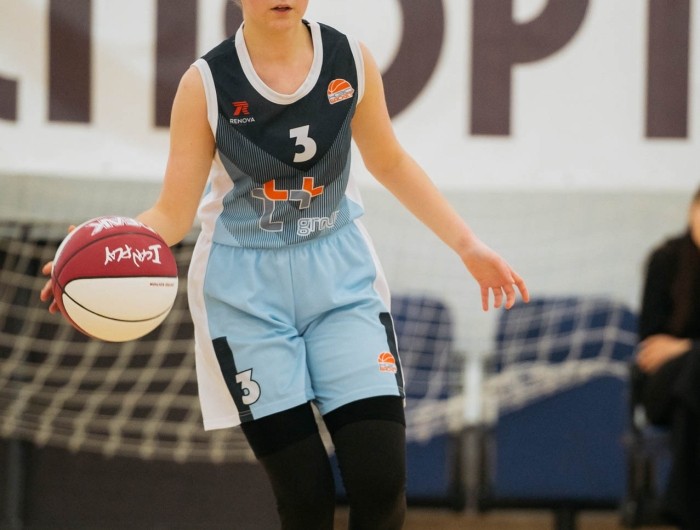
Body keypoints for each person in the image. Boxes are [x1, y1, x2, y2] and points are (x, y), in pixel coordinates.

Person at [42, 1, 529, 528]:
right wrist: (103, 247)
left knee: (381, 483)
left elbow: (389, 160)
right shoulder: (206, 84)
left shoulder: (349, 59)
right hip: (245, 296)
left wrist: (467, 244)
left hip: (340, 281)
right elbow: (172, 214)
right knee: (305, 499)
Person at [634, 186, 700, 529]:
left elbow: (671, 346)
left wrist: (685, 348)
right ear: (692, 211)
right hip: (664, 387)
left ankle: (683, 510)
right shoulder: (665, 259)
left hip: (689, 393)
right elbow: (651, 345)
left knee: (695, 376)